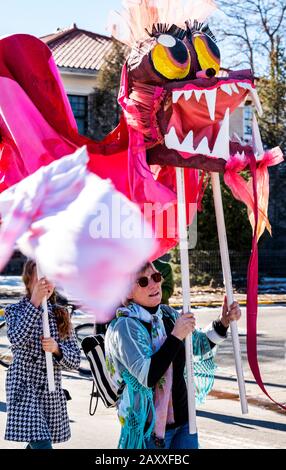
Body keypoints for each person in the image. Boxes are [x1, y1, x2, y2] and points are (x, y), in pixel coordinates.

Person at [105, 261, 241, 450]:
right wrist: (176, 335)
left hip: (185, 423)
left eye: (156, 277)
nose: (153, 284)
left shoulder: (167, 315)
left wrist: (224, 322)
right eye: (143, 282)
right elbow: (147, 376)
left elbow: (197, 346)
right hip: (148, 431)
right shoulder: (125, 327)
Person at [4, 259, 81, 449]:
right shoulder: (14, 311)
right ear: (28, 281)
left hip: (49, 390)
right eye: (39, 279)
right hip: (24, 388)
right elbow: (17, 338)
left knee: (38, 440)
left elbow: (75, 360)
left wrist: (57, 349)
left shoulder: (60, 314)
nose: (45, 284)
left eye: (49, 279)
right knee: (42, 442)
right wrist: (35, 303)